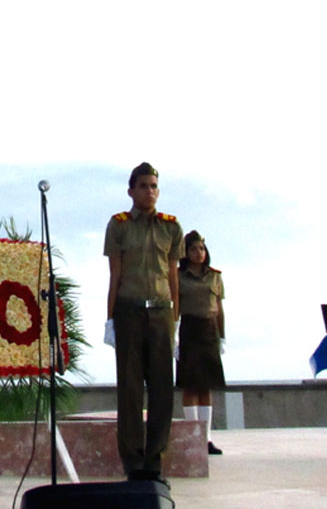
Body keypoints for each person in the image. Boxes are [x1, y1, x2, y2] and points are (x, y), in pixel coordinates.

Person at [103, 162, 182, 484]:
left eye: (154, 186)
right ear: (131, 190)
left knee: (163, 390)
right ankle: (133, 463)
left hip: (161, 311)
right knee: (131, 390)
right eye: (144, 186)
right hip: (129, 311)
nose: (150, 191)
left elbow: (174, 276)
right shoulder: (119, 225)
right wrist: (109, 319)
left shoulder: (171, 227)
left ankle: (155, 462)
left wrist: (176, 320)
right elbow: (115, 275)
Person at [175, 230, 226, 455]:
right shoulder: (178, 276)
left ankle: (206, 438)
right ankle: (192, 436)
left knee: (206, 385)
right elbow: (174, 306)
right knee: (190, 385)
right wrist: (173, 336)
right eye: (194, 249)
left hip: (209, 331)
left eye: (202, 249)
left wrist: (222, 336)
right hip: (188, 329)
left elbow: (219, 309)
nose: (199, 253)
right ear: (185, 252)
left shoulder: (215, 276)